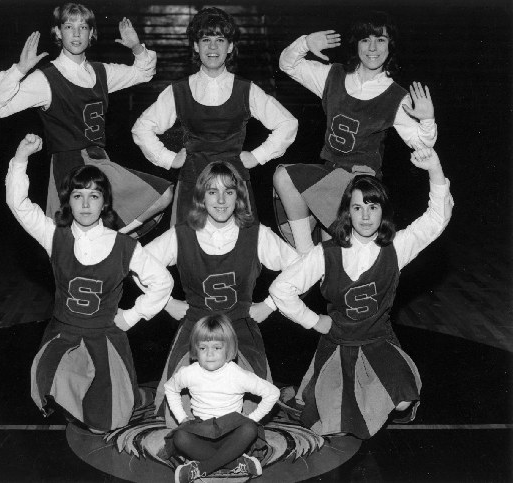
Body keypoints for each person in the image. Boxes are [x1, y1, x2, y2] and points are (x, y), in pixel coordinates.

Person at [269, 147, 453, 439]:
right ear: (347, 212)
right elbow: (281, 289)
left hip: (378, 341)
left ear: (383, 211)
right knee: (330, 422)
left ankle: (372, 396)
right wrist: (314, 321)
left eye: (373, 207)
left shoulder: (396, 248)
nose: (365, 216)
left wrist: (434, 168)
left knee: (404, 399)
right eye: (357, 208)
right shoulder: (325, 254)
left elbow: (436, 219)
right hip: (338, 345)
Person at [6, 133, 173, 433]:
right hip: (64, 335)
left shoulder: (123, 245)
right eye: (78, 195)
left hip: (104, 339)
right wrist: (21, 158)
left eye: (93, 196)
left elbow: (163, 281)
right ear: (68, 201)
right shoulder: (54, 235)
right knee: (47, 385)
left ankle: (131, 395)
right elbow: (18, 204)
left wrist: (131, 316)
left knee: (109, 424)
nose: (85, 204)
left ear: (104, 203)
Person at [0, 3, 173, 236]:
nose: (76, 33)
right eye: (68, 26)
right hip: (69, 169)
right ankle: (112, 241)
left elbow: (144, 72)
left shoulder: (102, 72)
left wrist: (136, 47)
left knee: (162, 196)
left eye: (83, 26)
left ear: (92, 33)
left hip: (101, 161)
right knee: (73, 243)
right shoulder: (45, 79)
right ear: (57, 32)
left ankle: (114, 240)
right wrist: (19, 70)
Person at [142, 161, 299, 425]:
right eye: (213, 192)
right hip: (196, 330)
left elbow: (301, 268)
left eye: (229, 191)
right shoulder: (181, 235)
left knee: (245, 421)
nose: (221, 200)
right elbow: (137, 263)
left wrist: (271, 304)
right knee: (180, 421)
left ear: (239, 196)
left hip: (239, 329)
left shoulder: (256, 234)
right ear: (202, 196)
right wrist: (165, 303)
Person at [273, 10, 437, 254]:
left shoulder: (397, 96)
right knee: (283, 177)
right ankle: (305, 255)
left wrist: (427, 119)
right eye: (365, 39)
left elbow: (423, 144)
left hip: (362, 185)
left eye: (380, 40)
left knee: (338, 263)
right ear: (356, 44)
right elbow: (287, 64)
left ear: (390, 46)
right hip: (328, 176)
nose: (373, 47)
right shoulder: (333, 75)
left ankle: (318, 263)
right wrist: (306, 43)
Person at [132, 6, 297, 225]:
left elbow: (287, 123)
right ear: (195, 46)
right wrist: (168, 159)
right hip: (193, 182)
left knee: (238, 252)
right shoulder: (179, 90)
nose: (212, 47)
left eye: (220, 40)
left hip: (234, 186)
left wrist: (258, 156)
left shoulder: (246, 90)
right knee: (188, 250)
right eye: (206, 40)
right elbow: (141, 128)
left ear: (230, 47)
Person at [164, 313, 280, 482]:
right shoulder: (189, 372)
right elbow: (170, 388)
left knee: (250, 429)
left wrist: (252, 418)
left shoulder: (237, 374)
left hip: (232, 432)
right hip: (201, 430)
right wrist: (182, 418)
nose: (209, 354)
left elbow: (272, 392)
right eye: (203, 348)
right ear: (195, 349)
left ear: (229, 348)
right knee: (179, 437)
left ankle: (202, 468)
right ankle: (234, 463)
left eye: (217, 348)